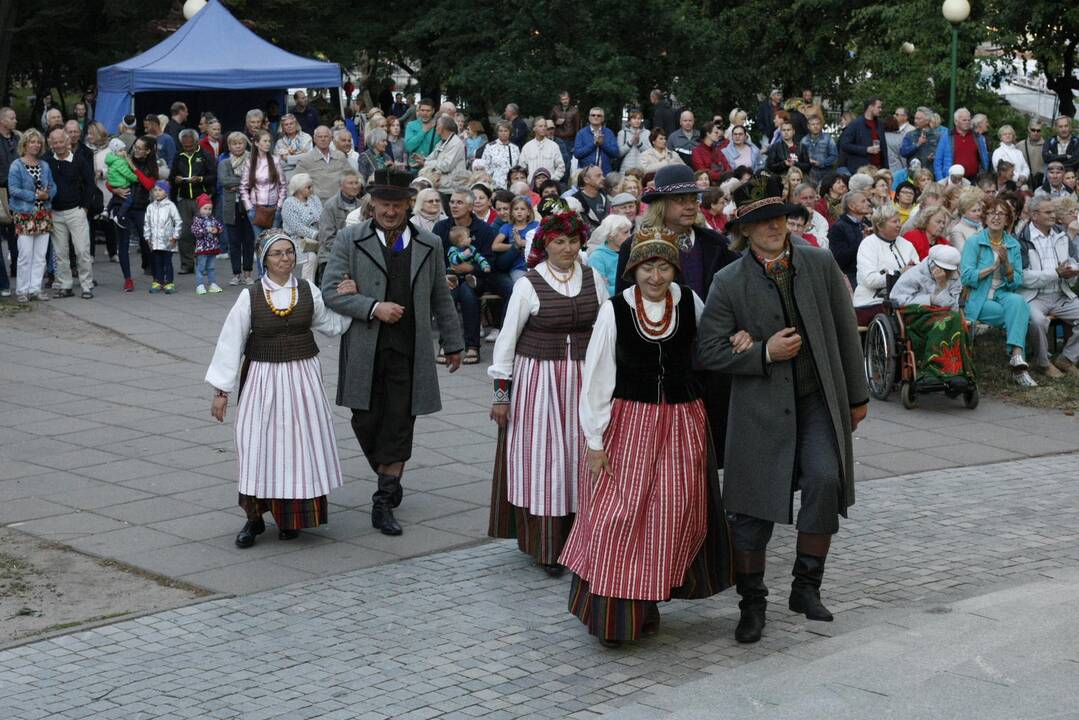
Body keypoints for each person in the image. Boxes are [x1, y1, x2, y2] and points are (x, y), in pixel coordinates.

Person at [696, 174, 867, 644]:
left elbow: (845, 331)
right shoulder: (727, 281)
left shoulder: (818, 262)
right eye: (761, 221)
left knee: (825, 480)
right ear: (745, 230)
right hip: (758, 408)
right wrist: (762, 353)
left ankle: (805, 587)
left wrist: (857, 396)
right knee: (750, 509)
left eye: (778, 217)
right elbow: (707, 351)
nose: (773, 227)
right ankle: (752, 604)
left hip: (817, 399)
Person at [561, 225, 734, 646]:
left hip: (681, 424)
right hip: (629, 423)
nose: (655, 277)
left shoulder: (690, 301)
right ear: (634, 269)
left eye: (663, 266)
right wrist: (595, 440)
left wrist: (739, 338)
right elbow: (598, 378)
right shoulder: (615, 309)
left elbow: (713, 345)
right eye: (647, 267)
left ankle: (648, 602)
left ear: (675, 268)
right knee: (617, 517)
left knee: (670, 517)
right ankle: (612, 618)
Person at [321, 168, 465, 537]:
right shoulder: (350, 239)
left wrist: (453, 343)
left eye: (397, 204)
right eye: (384, 204)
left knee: (399, 424)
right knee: (364, 421)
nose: (390, 211)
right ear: (373, 204)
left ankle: (383, 501)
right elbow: (330, 292)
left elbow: (439, 295)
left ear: (408, 205)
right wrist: (371, 306)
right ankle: (390, 474)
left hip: (409, 351)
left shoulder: (428, 243)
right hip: (366, 350)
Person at [207, 229, 353, 547]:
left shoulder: (307, 290)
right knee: (257, 444)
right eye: (277, 253)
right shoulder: (251, 296)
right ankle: (254, 519)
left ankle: (291, 519)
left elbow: (331, 325)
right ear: (265, 259)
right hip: (262, 378)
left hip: (303, 379)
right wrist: (221, 392)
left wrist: (348, 297)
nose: (285, 258)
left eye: (289, 252)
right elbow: (230, 343)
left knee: (299, 447)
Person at [487, 211, 607, 576]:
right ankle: (548, 546)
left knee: (581, 454)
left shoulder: (594, 278)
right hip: (540, 382)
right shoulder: (529, 285)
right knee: (547, 461)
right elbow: (505, 343)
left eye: (572, 241)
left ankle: (586, 539)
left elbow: (606, 328)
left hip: (586, 379)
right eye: (559, 242)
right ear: (545, 245)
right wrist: (501, 396)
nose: (567, 248)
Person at [959, 199, 1036, 386]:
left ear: (1008, 220)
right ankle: (1019, 368)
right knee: (1017, 314)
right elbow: (967, 277)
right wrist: (993, 267)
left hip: (1001, 294)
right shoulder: (974, 242)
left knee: (1019, 302)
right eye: (992, 212)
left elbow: (1015, 282)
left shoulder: (1013, 245)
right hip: (978, 297)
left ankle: (1017, 357)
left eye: (1001, 214)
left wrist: (1007, 265)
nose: (996, 217)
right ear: (985, 217)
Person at [433, 189, 513, 360]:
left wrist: (471, 269)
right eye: (452, 202)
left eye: (459, 202)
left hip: (477, 278)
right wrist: (447, 273)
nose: (454, 206)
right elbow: (435, 257)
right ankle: (447, 345)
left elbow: (489, 260)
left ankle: (472, 346)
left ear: (470, 207)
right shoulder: (441, 227)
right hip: (449, 276)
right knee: (449, 295)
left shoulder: (484, 229)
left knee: (468, 294)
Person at [888, 244, 974, 386]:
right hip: (916, 316)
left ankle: (957, 371)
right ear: (933, 265)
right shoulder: (914, 274)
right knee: (946, 322)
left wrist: (942, 286)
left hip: (945, 314)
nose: (948, 273)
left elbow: (953, 307)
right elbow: (897, 299)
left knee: (957, 320)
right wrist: (930, 299)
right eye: (945, 270)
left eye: (950, 270)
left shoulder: (954, 277)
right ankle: (930, 371)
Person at [1017, 195, 1079, 378]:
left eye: (1054, 211)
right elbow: (1023, 277)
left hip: (1061, 293)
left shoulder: (1061, 234)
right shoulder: (1021, 239)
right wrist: (1056, 273)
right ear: (1034, 215)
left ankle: (1066, 359)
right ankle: (1043, 363)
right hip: (1034, 296)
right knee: (1036, 320)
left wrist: (1072, 272)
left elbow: (1073, 260)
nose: (1054, 215)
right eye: (1048, 212)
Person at [43, 126, 96, 299]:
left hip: (76, 210)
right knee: (60, 253)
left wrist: (85, 207)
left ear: (67, 142)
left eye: (60, 141)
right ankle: (65, 285)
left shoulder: (79, 160)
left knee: (82, 250)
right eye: (54, 142)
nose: (58, 145)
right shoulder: (47, 161)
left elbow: (90, 183)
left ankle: (86, 285)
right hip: (55, 212)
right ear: (50, 143)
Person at [8, 129, 56, 303]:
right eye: (32, 142)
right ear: (25, 144)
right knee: (25, 255)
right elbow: (13, 189)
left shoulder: (44, 165)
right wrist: (36, 196)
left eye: (38, 142)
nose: (36, 145)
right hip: (25, 213)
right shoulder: (17, 165)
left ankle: (36, 288)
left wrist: (48, 195)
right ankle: (22, 289)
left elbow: (53, 186)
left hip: (43, 214)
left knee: (40, 255)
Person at [852, 205, 919, 323]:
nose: (899, 224)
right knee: (904, 317)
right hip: (872, 302)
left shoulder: (907, 245)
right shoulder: (868, 244)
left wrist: (914, 270)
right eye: (894, 221)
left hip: (904, 300)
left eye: (899, 221)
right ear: (879, 225)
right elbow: (870, 280)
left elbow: (919, 273)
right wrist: (900, 273)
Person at [169, 129, 216, 275]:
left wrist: (200, 179)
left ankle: (203, 265)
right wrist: (175, 179)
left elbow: (213, 176)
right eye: (185, 146)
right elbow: (171, 176)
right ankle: (187, 264)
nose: (188, 149)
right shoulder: (179, 155)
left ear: (196, 142)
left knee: (202, 232)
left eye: (190, 146)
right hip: (184, 198)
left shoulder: (205, 155)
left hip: (201, 198)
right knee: (184, 233)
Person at [219, 132, 257, 286]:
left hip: (249, 206)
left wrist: (239, 185)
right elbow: (224, 181)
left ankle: (248, 273)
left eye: (241, 143)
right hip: (231, 206)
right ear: (229, 146)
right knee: (234, 241)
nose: (238, 146)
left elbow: (254, 179)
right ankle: (236, 274)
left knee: (249, 240)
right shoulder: (224, 163)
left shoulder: (252, 160)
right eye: (234, 143)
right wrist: (243, 183)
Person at [315, 171, 362, 281]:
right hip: (331, 255)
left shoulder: (361, 205)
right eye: (350, 183)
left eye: (356, 183)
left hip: (356, 255)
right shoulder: (330, 206)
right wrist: (347, 253)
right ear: (341, 186)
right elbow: (327, 238)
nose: (355, 186)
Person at [241, 129, 287, 235]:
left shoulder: (275, 160)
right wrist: (249, 207)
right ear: (256, 143)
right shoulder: (249, 162)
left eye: (269, 141)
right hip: (255, 208)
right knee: (259, 242)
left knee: (273, 242)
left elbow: (283, 185)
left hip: (273, 208)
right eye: (265, 141)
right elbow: (243, 187)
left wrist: (279, 207)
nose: (268, 144)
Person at [281, 172, 323, 282]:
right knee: (311, 258)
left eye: (311, 186)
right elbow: (297, 227)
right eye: (308, 187)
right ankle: (308, 287)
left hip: (319, 238)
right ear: (299, 188)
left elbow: (322, 217)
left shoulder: (314, 199)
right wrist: (315, 235)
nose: (311, 189)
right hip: (297, 240)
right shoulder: (289, 203)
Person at [294, 126, 351, 203]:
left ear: (331, 139)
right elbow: (298, 185)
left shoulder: (340, 156)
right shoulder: (305, 160)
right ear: (314, 139)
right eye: (320, 137)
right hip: (318, 203)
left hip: (341, 201)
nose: (323, 139)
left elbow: (351, 175)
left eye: (326, 136)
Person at [419, 115, 468, 205]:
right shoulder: (441, 142)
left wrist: (426, 163)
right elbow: (431, 157)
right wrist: (422, 159)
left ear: (442, 128)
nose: (435, 127)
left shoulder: (456, 143)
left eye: (437, 125)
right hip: (441, 187)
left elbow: (446, 166)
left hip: (451, 189)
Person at [827, 190, 871, 287]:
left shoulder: (868, 224)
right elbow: (839, 258)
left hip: (871, 272)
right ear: (851, 206)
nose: (868, 203)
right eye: (863, 201)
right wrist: (862, 243)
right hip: (851, 278)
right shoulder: (838, 228)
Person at [144, 180, 181, 294]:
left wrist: (175, 236)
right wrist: (147, 237)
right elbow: (147, 223)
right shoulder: (150, 207)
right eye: (155, 190)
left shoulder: (171, 206)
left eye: (160, 190)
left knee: (167, 262)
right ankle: (158, 281)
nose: (157, 192)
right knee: (157, 262)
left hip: (168, 241)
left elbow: (178, 221)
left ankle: (169, 282)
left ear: (166, 192)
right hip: (155, 241)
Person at [934, 108, 989, 181]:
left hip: (974, 180)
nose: (967, 122)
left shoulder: (978, 137)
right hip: (952, 180)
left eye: (969, 120)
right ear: (956, 122)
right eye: (964, 120)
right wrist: (941, 180)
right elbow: (938, 161)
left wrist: (983, 175)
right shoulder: (946, 137)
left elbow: (985, 159)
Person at [491, 195, 537, 282]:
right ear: (511, 212)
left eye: (522, 209)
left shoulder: (535, 225)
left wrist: (526, 243)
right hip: (518, 268)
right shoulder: (507, 227)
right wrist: (515, 245)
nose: (519, 212)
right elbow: (495, 246)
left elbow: (543, 241)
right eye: (516, 209)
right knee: (522, 285)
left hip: (535, 265)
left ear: (528, 212)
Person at [586, 213, 631, 295]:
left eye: (629, 232)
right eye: (625, 232)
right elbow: (600, 290)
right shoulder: (597, 257)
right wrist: (630, 289)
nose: (630, 236)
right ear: (611, 236)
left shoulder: (631, 251)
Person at [839, 97, 887, 174]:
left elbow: (884, 148)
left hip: (878, 169)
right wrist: (866, 149)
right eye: (878, 107)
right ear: (870, 107)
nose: (880, 109)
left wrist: (885, 168)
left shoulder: (880, 124)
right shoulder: (855, 124)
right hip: (861, 170)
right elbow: (845, 145)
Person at [191, 193, 223, 294]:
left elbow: (220, 227)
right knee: (201, 267)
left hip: (212, 247)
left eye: (209, 209)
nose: (208, 211)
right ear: (199, 208)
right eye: (205, 208)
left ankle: (212, 283)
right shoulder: (197, 220)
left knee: (211, 267)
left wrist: (216, 230)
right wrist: (205, 230)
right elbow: (195, 231)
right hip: (202, 248)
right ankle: (200, 285)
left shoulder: (212, 219)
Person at [573, 107, 619, 175]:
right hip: (586, 173)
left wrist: (603, 144)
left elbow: (615, 153)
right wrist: (593, 144)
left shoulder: (609, 133)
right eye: (593, 115)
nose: (596, 117)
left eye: (599, 115)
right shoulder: (581, 133)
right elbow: (577, 154)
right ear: (589, 117)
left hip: (604, 173)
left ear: (603, 118)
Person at [801, 115, 838, 185]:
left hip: (826, 174)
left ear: (821, 125)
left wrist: (821, 163)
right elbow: (800, 159)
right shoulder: (804, 141)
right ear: (808, 126)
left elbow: (834, 157)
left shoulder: (828, 138)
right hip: (810, 175)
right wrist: (808, 160)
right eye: (813, 124)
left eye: (817, 124)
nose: (815, 126)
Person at [274, 114, 312, 180]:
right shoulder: (279, 142)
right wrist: (299, 155)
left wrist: (287, 158)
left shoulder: (306, 137)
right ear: (283, 127)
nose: (289, 126)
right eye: (286, 124)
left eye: (291, 123)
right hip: (286, 175)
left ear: (296, 124)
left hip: (304, 173)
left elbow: (308, 158)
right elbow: (278, 163)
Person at [948, 188, 985, 253]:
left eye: (979, 210)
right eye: (974, 211)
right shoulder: (957, 230)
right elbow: (964, 253)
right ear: (963, 212)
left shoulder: (980, 226)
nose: (978, 214)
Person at [1019, 119, 1046, 188]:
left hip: (1040, 185)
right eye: (1033, 130)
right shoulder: (1019, 145)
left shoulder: (1047, 146)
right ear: (1029, 129)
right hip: (1023, 185)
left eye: (1038, 130)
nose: (1035, 132)